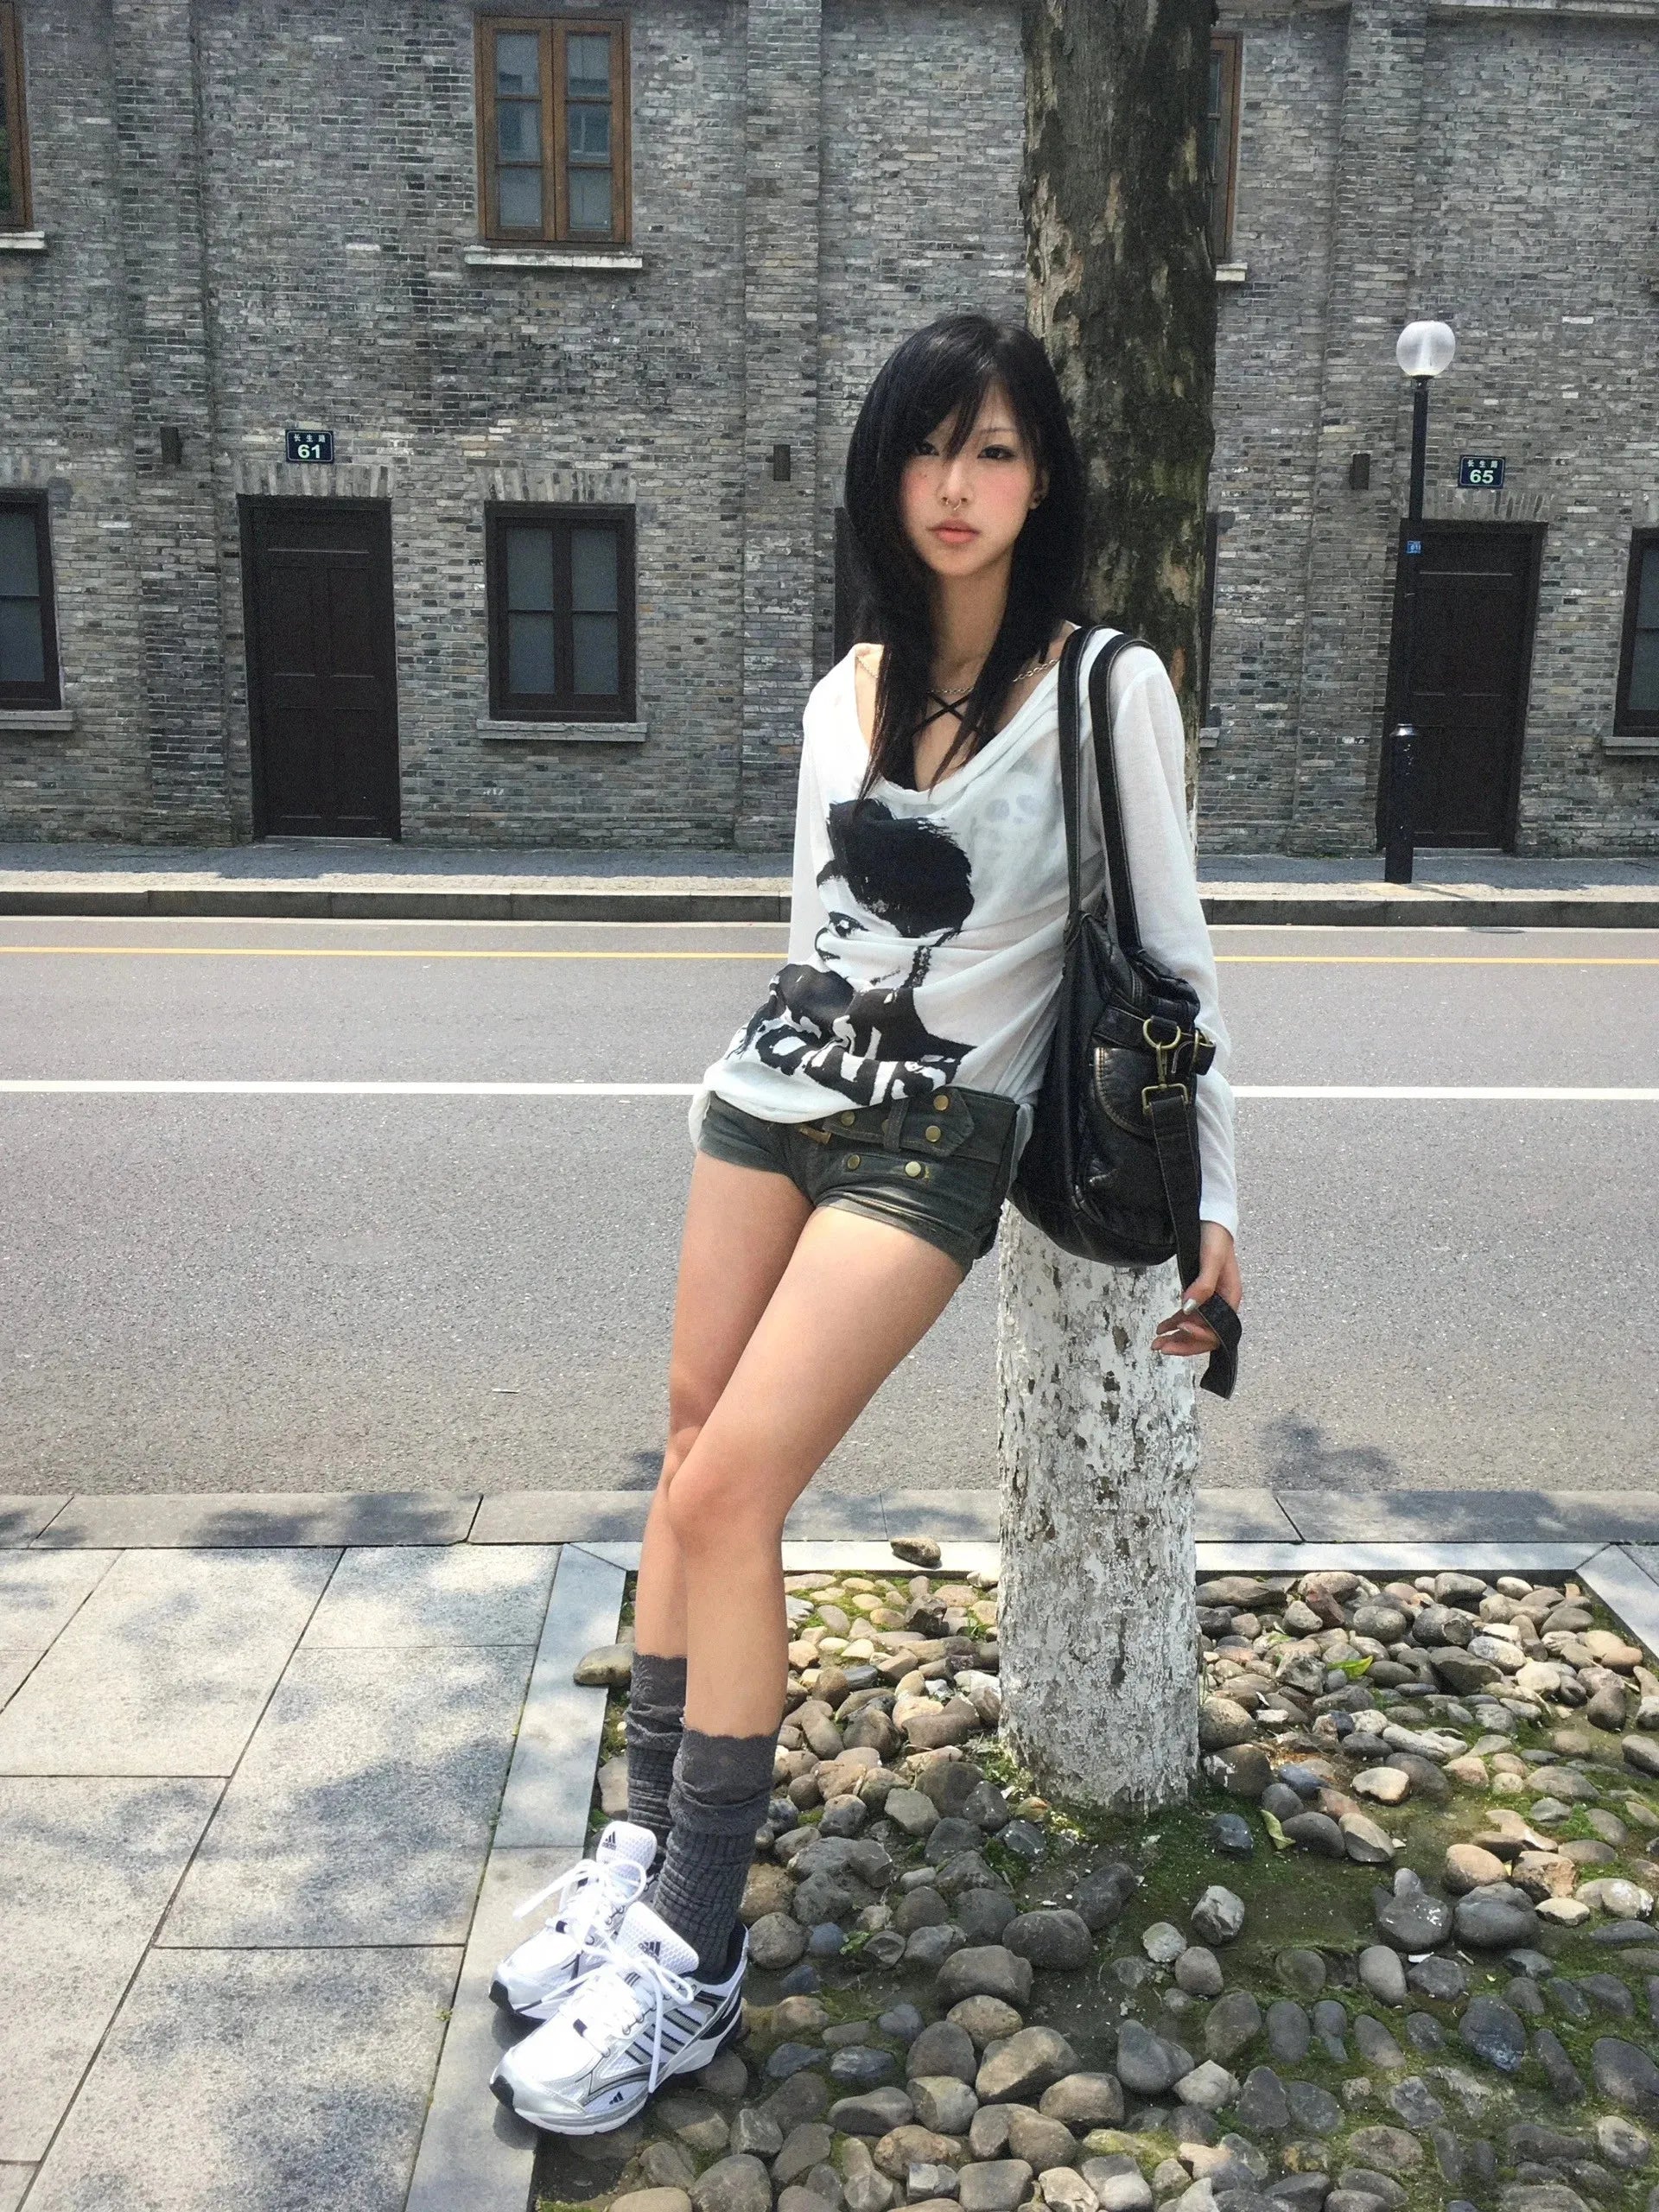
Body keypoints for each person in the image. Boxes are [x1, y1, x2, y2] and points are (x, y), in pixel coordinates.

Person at [488, 312, 1242, 2133]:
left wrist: (1214, 1195)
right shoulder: (846, 684)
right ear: (882, 473)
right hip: (770, 1095)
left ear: (1042, 479)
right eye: (926, 446)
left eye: (994, 450)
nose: (955, 485)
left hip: (936, 1138)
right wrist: (757, 1077)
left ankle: (694, 1956)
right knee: (687, 1453)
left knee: (733, 1493)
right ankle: (641, 1853)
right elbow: (809, 925)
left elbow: (1175, 961)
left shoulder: (1106, 686)